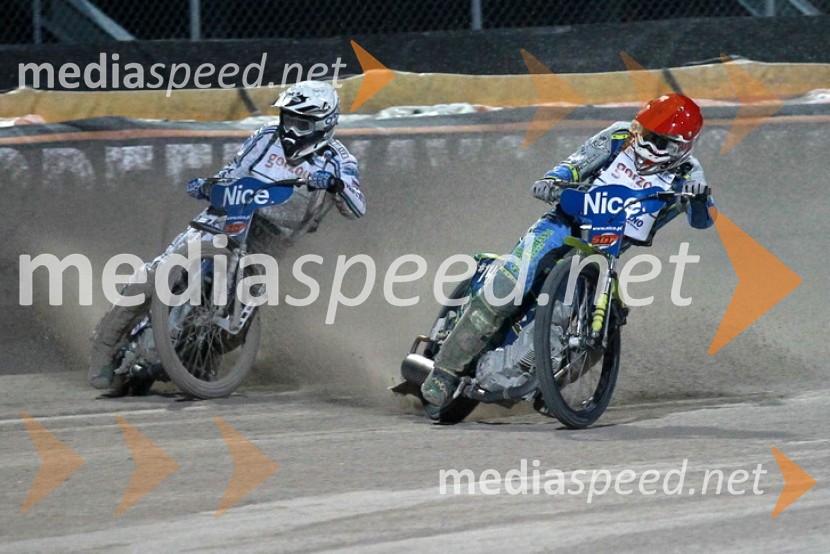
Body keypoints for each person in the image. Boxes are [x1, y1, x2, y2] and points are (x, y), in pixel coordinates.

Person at [420, 93, 714, 407]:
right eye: (642, 131)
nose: (643, 142)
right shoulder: (618, 136)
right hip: (561, 224)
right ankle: (444, 371)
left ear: (680, 146)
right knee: (511, 284)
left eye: (656, 139)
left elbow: (703, 219)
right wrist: (552, 181)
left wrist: (697, 199)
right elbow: (575, 165)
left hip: (606, 252)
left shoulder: (689, 175)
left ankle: (552, 388)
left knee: (603, 327)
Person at [90, 80, 364, 392]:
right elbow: (234, 171)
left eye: (300, 123)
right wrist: (211, 184)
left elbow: (357, 208)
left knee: (235, 328)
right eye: (287, 119)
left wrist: (336, 185)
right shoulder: (265, 137)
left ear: (323, 125)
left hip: (269, 240)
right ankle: (103, 343)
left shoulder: (339, 161)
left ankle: (196, 362)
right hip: (227, 215)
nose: (290, 129)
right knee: (157, 274)